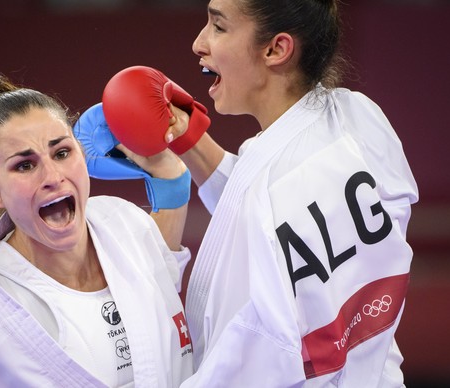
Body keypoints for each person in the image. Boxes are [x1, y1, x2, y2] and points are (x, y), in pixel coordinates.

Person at [100, 0, 419, 386]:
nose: (199, 43)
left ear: (276, 49)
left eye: (219, 27)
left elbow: (253, 354)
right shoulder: (359, 118)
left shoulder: (275, 198)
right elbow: (263, 203)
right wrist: (189, 140)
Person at [0, 67, 194, 387]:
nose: (53, 177)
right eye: (25, 165)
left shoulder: (127, 228)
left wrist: (168, 169)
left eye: (62, 152)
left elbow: (162, 264)